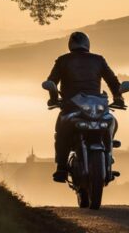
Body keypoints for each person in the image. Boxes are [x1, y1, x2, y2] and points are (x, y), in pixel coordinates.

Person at [46, 32, 124, 182]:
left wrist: (54, 99)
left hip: (71, 106)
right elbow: (113, 81)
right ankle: (107, 151)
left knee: (61, 133)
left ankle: (61, 168)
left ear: (70, 45)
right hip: (96, 106)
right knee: (112, 121)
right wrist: (118, 97)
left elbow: (51, 82)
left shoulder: (63, 60)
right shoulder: (98, 60)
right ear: (87, 44)